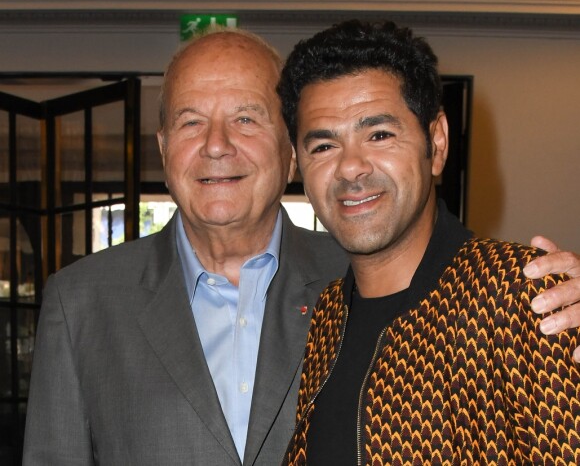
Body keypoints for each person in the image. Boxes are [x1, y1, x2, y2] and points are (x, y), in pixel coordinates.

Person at [22, 27, 580, 466]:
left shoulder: (523, 299)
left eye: (246, 118)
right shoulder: (81, 301)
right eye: (192, 123)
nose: (217, 146)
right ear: (163, 149)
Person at [279, 20, 580, 465]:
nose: (350, 168)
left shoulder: (524, 297)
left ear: (435, 143)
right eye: (323, 146)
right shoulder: (325, 317)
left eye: (379, 135)